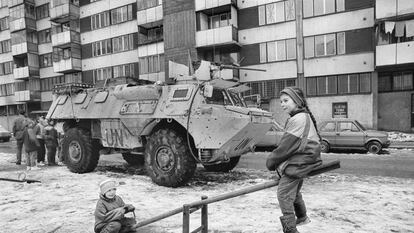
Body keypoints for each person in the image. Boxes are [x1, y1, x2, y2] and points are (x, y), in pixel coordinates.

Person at [266, 87, 322, 233]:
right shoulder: (303, 116)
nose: (282, 104)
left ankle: (290, 230)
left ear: (297, 101)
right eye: (281, 102)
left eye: (286, 100)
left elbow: (285, 147)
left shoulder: (298, 119)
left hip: (301, 161)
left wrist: (271, 162)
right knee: (294, 191)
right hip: (307, 158)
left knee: (283, 194)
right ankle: (302, 217)